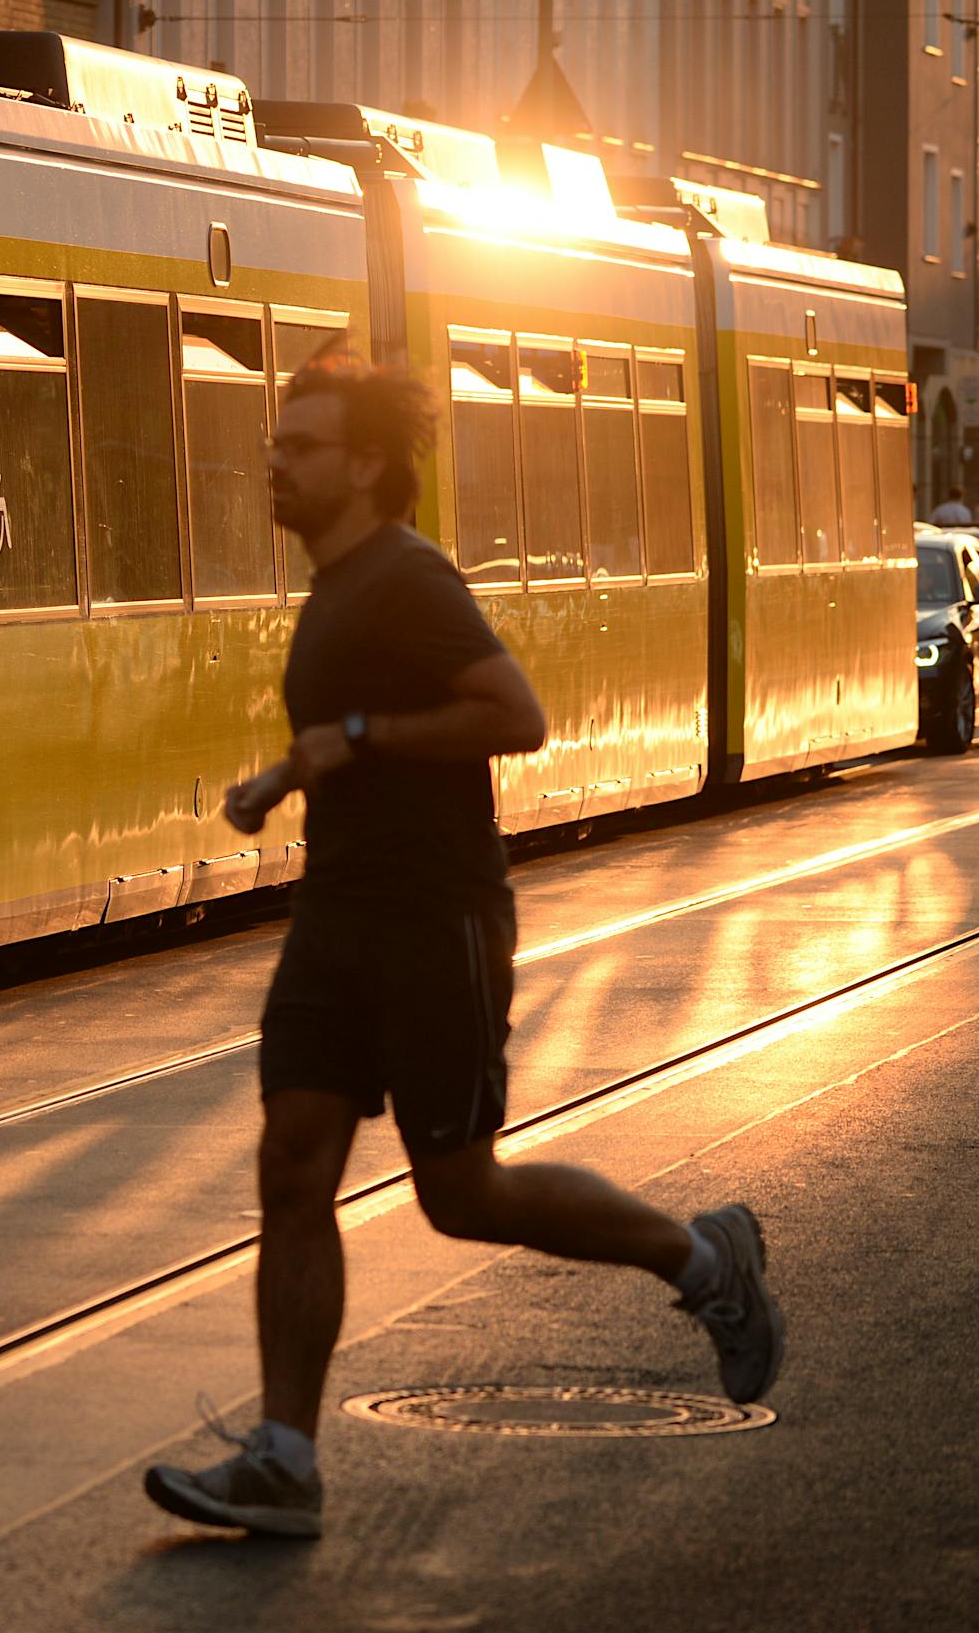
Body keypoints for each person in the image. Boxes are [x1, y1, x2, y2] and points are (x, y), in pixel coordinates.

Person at [143, 361, 783, 1540]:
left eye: (302, 443)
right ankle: (285, 1456)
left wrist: (351, 734)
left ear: (369, 466)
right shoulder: (336, 584)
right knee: (292, 1165)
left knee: (460, 1190)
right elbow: (351, 741)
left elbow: (514, 714)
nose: (274, 459)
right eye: (273, 441)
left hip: (436, 921)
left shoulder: (406, 578)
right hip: (337, 916)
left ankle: (702, 1257)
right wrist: (288, 773)